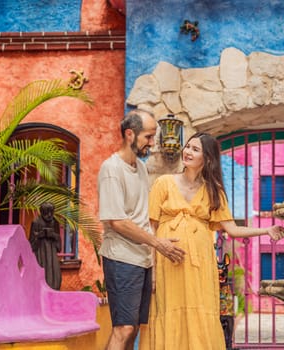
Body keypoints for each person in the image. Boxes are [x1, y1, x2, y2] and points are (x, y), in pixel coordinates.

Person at [143, 132, 284, 349]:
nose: (187, 152)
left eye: (195, 149)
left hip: (200, 265)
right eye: (187, 147)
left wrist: (266, 230)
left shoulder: (214, 191)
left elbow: (232, 229)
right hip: (168, 262)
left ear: (207, 158)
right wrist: (152, 271)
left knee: (200, 311)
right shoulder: (163, 183)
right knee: (169, 309)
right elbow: (150, 228)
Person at [97, 109, 186, 350]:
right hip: (121, 259)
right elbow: (117, 221)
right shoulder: (111, 169)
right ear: (129, 134)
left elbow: (142, 214)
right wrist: (158, 243)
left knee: (133, 327)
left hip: (141, 260)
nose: (152, 143)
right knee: (123, 328)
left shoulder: (141, 168)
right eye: (147, 137)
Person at [29, 201, 62, 290]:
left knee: (55, 275)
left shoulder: (54, 222)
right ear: (42, 212)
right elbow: (31, 243)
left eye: (51, 212)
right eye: (47, 212)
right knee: (42, 274)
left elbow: (58, 241)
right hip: (41, 253)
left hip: (52, 253)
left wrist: (53, 235)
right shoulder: (36, 222)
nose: (49, 215)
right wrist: (40, 235)